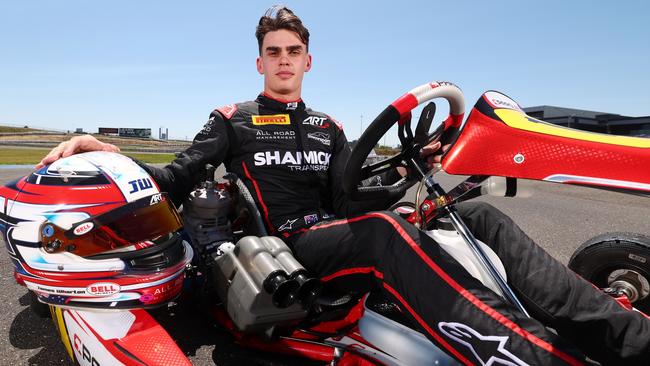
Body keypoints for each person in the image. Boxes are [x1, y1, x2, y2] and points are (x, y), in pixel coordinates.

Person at [38, 6, 649, 365]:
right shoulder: (232, 119)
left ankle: (627, 338)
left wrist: (418, 171)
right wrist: (101, 150)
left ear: (308, 61)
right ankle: (535, 356)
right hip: (281, 248)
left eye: (294, 51)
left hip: (336, 231)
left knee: (478, 218)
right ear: (260, 62)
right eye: (273, 51)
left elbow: (352, 199)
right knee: (385, 234)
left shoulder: (328, 128)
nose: (283, 60)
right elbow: (175, 177)